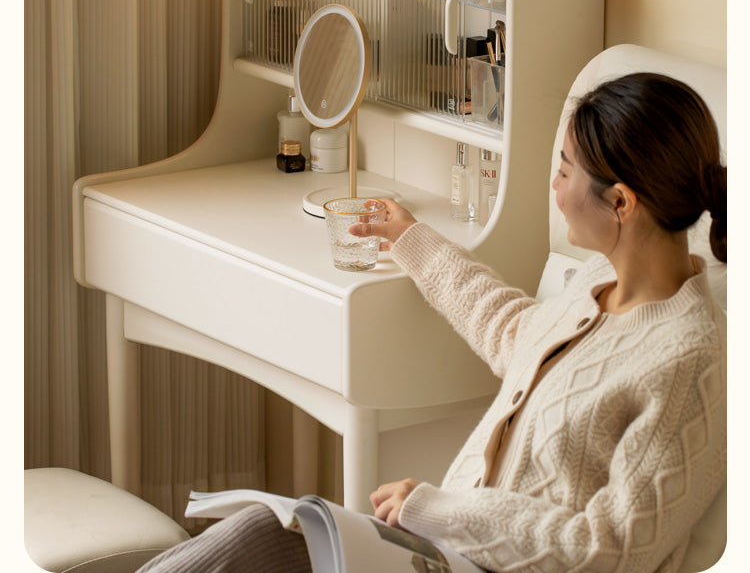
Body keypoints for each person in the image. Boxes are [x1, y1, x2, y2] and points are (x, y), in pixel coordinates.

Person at [137, 72, 727, 573]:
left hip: (459, 551)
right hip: (438, 552)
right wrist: (410, 239)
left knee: (261, 542)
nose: (554, 185)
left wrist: (436, 509)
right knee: (264, 531)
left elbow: (610, 551)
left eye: (566, 172)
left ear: (620, 202)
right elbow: (511, 330)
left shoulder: (688, 361)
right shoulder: (596, 286)